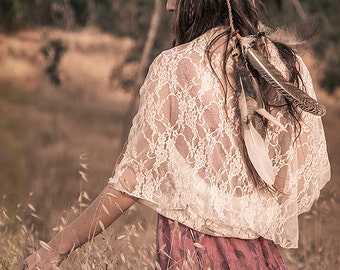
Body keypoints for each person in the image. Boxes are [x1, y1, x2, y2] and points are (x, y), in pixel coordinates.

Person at [21, 0, 331, 269]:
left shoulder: (173, 67)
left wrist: (53, 251)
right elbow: (295, 180)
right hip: (261, 255)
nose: (170, 5)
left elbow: (129, 182)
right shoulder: (289, 66)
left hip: (193, 256)